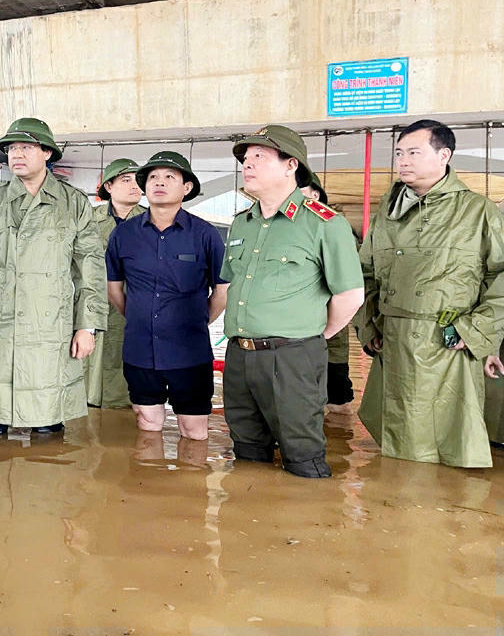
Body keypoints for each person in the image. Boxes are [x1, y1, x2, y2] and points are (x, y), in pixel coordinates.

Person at [357, 119, 504, 468]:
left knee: (446, 448)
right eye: (399, 153)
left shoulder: (477, 212)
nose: (403, 161)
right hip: (393, 343)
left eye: (414, 152)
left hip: (449, 344)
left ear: (444, 156)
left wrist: (476, 331)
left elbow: (500, 276)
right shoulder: (387, 214)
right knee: (398, 449)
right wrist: (369, 326)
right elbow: (365, 275)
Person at [221, 125, 364, 478]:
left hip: (292, 357)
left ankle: (309, 512)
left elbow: (350, 295)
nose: (248, 164)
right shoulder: (242, 224)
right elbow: (229, 284)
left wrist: (312, 335)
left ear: (291, 165)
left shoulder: (324, 223)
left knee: (302, 456)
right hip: (239, 355)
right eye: (246, 158)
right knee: (246, 452)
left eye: (260, 156)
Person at [0, 117, 107, 436]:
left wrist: (86, 326)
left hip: (51, 329)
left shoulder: (74, 203)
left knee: (47, 431)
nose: (16, 154)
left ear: (47, 153)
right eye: (11, 148)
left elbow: (90, 270)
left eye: (26, 147)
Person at [106, 151, 228, 438]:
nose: (159, 182)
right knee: (147, 424)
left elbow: (222, 291)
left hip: (190, 351)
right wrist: (140, 317)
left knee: (193, 429)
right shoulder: (124, 234)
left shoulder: (205, 234)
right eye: (153, 177)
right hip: (140, 350)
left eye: (169, 177)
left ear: (187, 187)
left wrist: (196, 321)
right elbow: (114, 289)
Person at [85, 158, 144, 409]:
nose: (134, 186)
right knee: (89, 370)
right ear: (108, 187)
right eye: (126, 180)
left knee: (130, 382)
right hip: (93, 307)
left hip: (134, 307)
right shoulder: (88, 219)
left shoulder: (152, 220)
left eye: (138, 180)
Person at [300, 173, 356, 414]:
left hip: (329, 331)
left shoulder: (333, 227)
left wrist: (327, 331)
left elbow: (350, 290)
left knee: (337, 398)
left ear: (315, 195)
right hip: (294, 336)